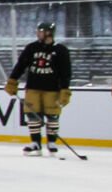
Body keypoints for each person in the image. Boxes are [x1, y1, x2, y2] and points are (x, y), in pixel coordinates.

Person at [6, 20, 73, 155]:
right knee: (32, 115)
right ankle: (35, 143)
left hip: (52, 89)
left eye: (41, 31)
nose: (38, 33)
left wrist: (64, 89)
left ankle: (51, 142)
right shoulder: (31, 48)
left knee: (52, 115)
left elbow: (66, 72)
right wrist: (12, 80)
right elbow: (21, 65)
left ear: (49, 33)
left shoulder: (60, 50)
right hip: (33, 88)